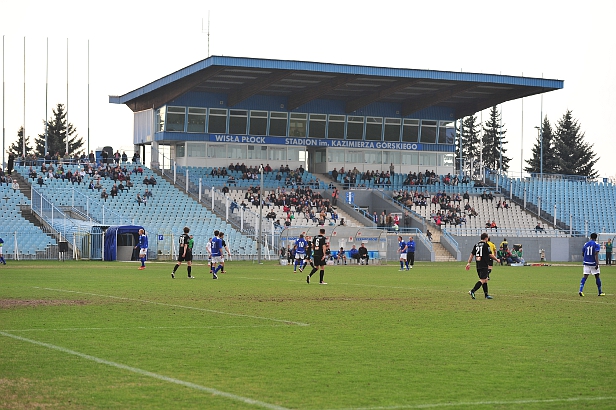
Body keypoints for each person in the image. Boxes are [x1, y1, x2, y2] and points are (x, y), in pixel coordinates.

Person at [465, 232, 500, 299]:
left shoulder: (476, 245)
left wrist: (468, 263)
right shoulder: (486, 245)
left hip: (478, 264)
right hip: (484, 264)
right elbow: (490, 254)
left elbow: (472, 254)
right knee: (483, 280)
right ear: (486, 238)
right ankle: (472, 291)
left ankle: (486, 295)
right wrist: (496, 259)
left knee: (485, 279)